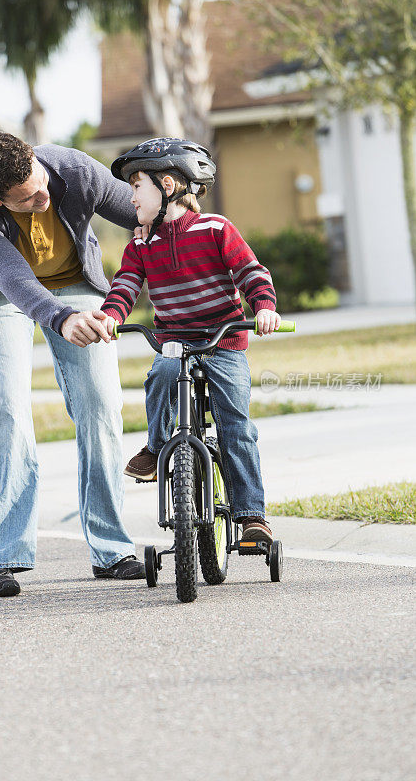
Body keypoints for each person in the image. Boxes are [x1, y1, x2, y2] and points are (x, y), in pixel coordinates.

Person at [0, 131, 146, 597]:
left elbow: (142, 211)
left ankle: (112, 549)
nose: (42, 197)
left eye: (40, 184)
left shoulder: (72, 170)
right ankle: (0, 559)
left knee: (101, 404)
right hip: (0, 294)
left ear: (36, 159)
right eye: (26, 200)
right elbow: (13, 276)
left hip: (77, 281)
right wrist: (60, 317)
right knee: (7, 405)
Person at [89, 137, 281, 544]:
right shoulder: (140, 243)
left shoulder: (216, 228)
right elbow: (126, 285)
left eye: (137, 185)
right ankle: (158, 449)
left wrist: (263, 306)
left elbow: (250, 271)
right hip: (174, 340)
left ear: (169, 186)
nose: (131, 196)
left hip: (222, 341)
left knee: (237, 428)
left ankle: (251, 516)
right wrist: (110, 316)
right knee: (160, 375)